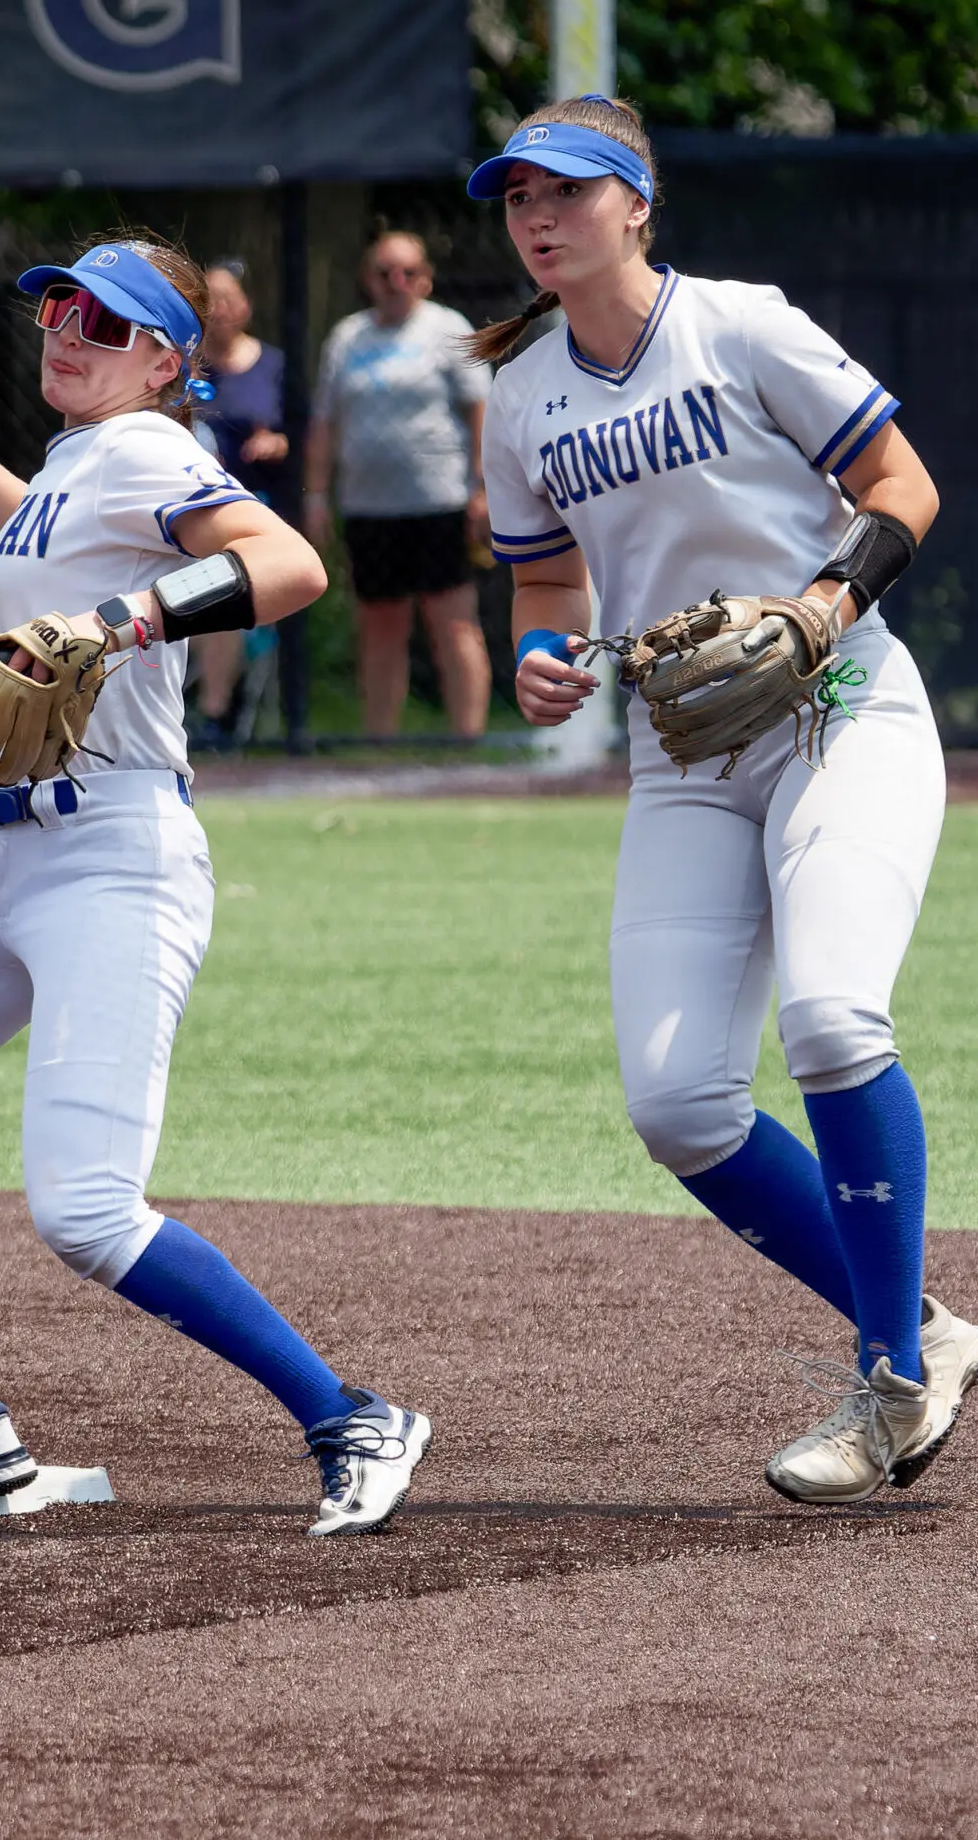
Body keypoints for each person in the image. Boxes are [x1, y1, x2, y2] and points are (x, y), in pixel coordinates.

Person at [0, 237, 433, 1538]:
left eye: (110, 322)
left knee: (83, 1208)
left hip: (113, 860)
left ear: (168, 362)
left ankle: (351, 1412)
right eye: (60, 310)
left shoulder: (145, 449)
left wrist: (125, 623)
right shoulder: (81, 465)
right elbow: (32, 545)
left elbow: (289, 566)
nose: (70, 331)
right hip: (6, 855)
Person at [471, 94, 978, 1504]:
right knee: (680, 1102)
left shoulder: (742, 324)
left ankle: (889, 1380)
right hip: (683, 752)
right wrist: (536, 660)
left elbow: (903, 481)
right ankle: (933, 1328)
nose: (536, 215)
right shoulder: (520, 397)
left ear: (638, 201)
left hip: (840, 709)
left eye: (565, 190)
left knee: (829, 1014)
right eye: (516, 196)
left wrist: (823, 603)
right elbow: (548, 580)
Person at [303, 233, 494, 738]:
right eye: (385, 273)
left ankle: (467, 742)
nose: (397, 283)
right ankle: (380, 744)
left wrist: (482, 488)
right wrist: (317, 497)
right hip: (369, 509)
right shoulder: (347, 338)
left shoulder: (449, 329)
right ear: (368, 279)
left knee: (452, 623)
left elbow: (482, 413)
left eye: (408, 272)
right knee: (379, 627)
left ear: (425, 277)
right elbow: (325, 422)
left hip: (440, 503)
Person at [188, 259, 293, 745]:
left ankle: (222, 716)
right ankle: (207, 712)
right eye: (208, 301)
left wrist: (276, 444)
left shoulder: (274, 365)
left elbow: (303, 434)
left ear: (246, 306)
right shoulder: (182, 371)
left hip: (257, 506)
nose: (220, 310)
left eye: (228, 298)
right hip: (193, 509)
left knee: (225, 579)